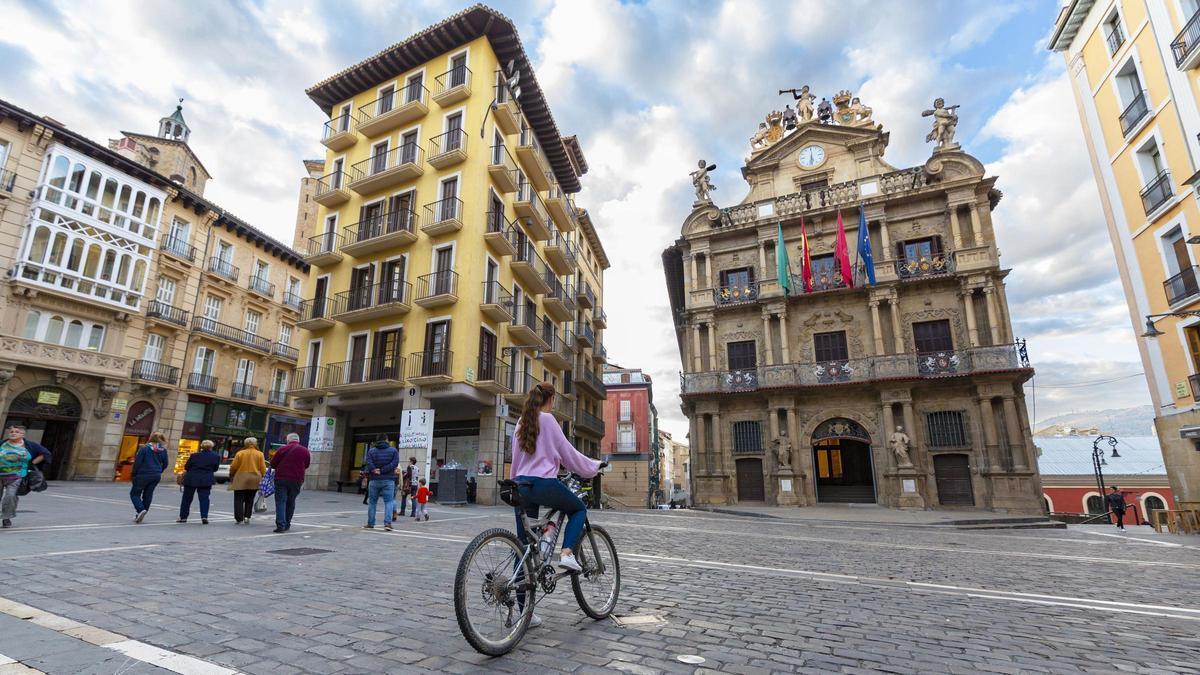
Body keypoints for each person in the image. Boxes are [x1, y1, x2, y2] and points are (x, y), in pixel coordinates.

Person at [510, 382, 602, 573]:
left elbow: (516, 460)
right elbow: (569, 455)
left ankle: (519, 600)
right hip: (543, 484)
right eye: (554, 400)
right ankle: (567, 553)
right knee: (578, 509)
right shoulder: (549, 420)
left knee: (523, 548)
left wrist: (514, 484)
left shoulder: (521, 422)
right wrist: (594, 467)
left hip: (520, 485)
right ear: (551, 399)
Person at [0, 425, 50, 529]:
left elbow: (45, 453)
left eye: (16, 432)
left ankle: (6, 517)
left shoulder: (29, 445)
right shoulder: (2, 444)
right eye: (11, 432)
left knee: (10, 496)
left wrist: (32, 463)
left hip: (16, 476)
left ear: (22, 434)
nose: (13, 433)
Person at [269, 432, 311, 533]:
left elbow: (273, 464)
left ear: (288, 440)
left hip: (281, 479)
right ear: (298, 441)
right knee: (291, 502)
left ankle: (280, 525)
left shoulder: (282, 449)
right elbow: (307, 465)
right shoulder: (305, 451)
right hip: (297, 479)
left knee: (281, 501)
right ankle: (287, 524)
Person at [131, 431, 169, 523]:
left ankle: (140, 510)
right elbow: (166, 464)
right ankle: (141, 513)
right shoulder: (163, 450)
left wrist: (134, 473)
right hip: (156, 475)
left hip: (143, 474)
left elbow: (138, 463)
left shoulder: (144, 448)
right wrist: (159, 470)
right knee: (148, 494)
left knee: (134, 493)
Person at [178, 440, 219, 524]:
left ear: (201, 447)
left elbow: (187, 466)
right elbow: (215, 469)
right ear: (211, 447)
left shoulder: (194, 455)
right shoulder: (215, 456)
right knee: (204, 499)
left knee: (187, 498)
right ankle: (204, 516)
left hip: (192, 478)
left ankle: (183, 517)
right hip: (206, 479)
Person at [363, 438, 399, 530]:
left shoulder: (371, 451)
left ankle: (371, 523)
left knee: (372, 502)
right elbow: (394, 463)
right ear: (386, 440)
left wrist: (375, 469)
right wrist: (383, 470)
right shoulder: (393, 450)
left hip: (374, 480)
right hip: (388, 480)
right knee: (389, 502)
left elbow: (369, 462)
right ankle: (387, 524)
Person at [228, 437, 266, 524]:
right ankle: (247, 517)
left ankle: (239, 518)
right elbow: (263, 468)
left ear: (245, 444)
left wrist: (231, 474)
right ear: (255, 444)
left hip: (241, 477)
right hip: (254, 478)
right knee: (250, 499)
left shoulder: (240, 453)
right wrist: (263, 477)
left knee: (238, 499)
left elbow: (234, 466)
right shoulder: (260, 454)